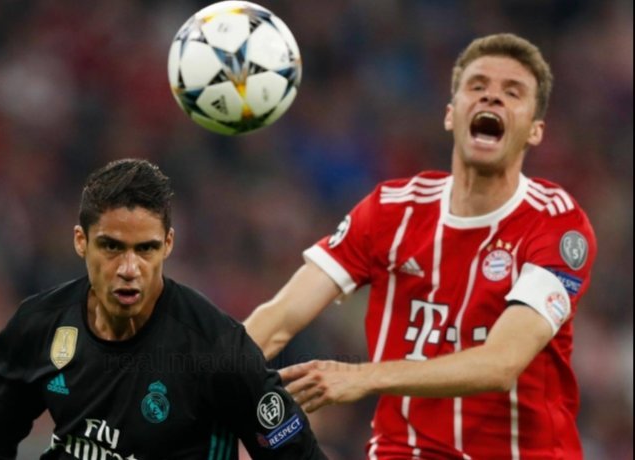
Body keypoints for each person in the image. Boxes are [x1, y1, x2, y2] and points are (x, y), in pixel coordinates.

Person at [244, 33, 596, 459]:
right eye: (478, 86)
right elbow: (279, 318)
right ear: (450, 114)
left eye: (513, 92)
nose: (492, 97)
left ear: (535, 131)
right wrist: (194, 384)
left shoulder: (557, 224)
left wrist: (364, 377)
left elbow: (502, 363)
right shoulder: (391, 210)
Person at [0, 159, 326, 459]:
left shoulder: (216, 348)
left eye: (146, 249)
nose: (129, 269)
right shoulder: (39, 326)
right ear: (81, 241)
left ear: (168, 245)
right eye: (111, 247)